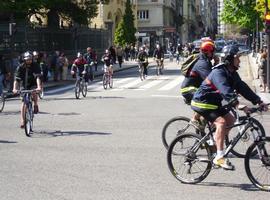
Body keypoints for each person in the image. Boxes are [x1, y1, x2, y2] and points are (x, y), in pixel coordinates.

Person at [191, 46, 268, 170]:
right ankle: (219, 157)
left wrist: (258, 101)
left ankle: (215, 144)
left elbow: (242, 87)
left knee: (231, 120)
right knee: (221, 123)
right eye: (238, 58)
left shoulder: (232, 73)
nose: (240, 60)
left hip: (213, 103)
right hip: (202, 102)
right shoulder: (218, 72)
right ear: (230, 59)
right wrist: (237, 104)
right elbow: (225, 90)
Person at [180, 40, 216, 130]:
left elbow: (214, 74)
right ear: (208, 51)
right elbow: (210, 79)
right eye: (213, 51)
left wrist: (216, 63)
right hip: (188, 89)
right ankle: (194, 119)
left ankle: (201, 134)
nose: (214, 54)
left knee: (205, 112)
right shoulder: (202, 63)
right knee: (204, 99)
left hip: (195, 88)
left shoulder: (206, 60)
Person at [13, 51, 42, 128]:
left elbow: (38, 77)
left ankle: (35, 104)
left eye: (30, 59)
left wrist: (38, 87)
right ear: (24, 60)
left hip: (32, 83)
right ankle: (23, 120)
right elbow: (16, 80)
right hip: (24, 85)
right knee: (23, 103)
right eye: (27, 59)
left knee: (34, 92)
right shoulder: (20, 67)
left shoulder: (35, 65)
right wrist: (14, 89)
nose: (29, 61)